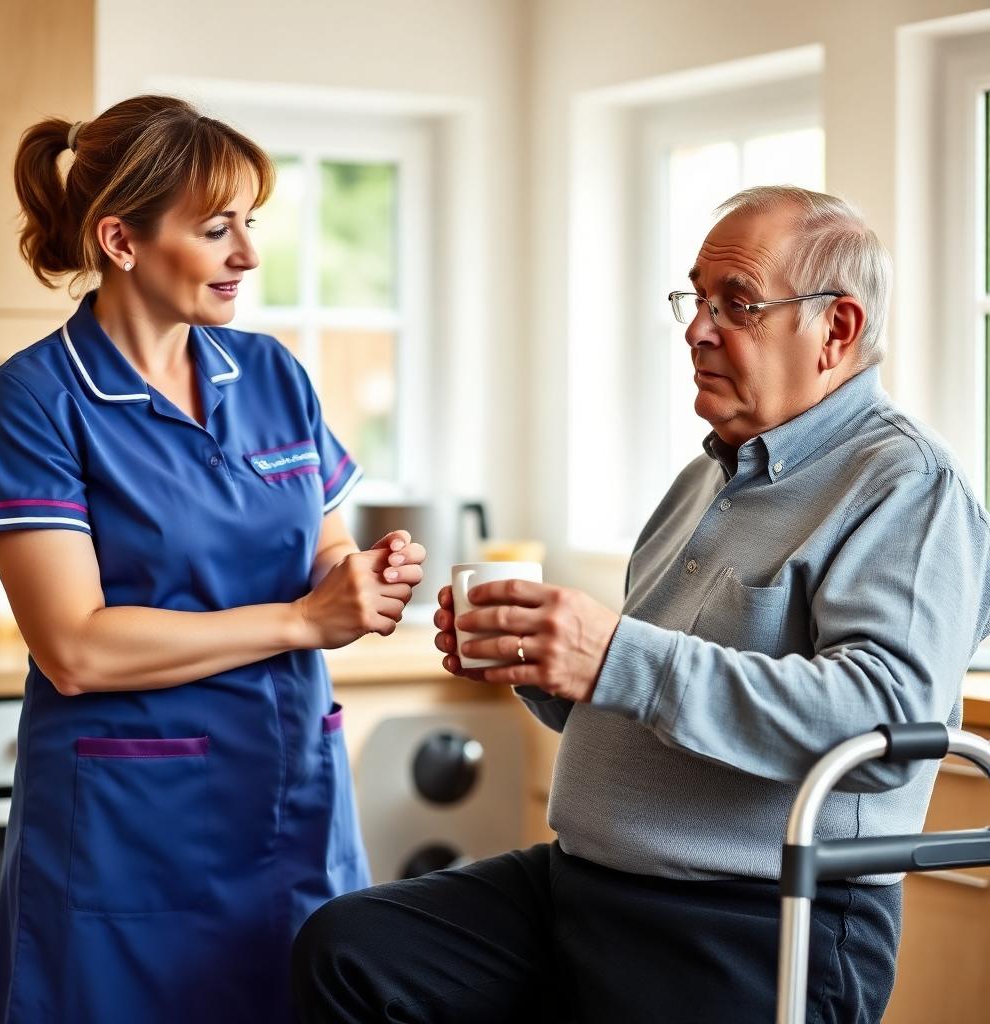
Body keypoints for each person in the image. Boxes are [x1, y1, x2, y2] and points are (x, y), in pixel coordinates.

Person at [292, 186, 990, 1023]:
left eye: (736, 303)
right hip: (581, 886)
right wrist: (542, 664)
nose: (698, 328)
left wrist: (612, 655)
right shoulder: (704, 477)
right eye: (695, 299)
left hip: (747, 917)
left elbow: (886, 725)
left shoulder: (907, 486)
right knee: (351, 951)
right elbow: (648, 697)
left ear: (836, 330)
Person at [0, 94, 426, 1024]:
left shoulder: (270, 374)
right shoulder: (30, 402)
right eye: (217, 229)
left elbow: (320, 541)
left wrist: (356, 579)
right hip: (132, 831)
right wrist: (305, 621)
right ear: (121, 241)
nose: (249, 256)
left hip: (294, 802)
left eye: (249, 225)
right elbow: (77, 647)